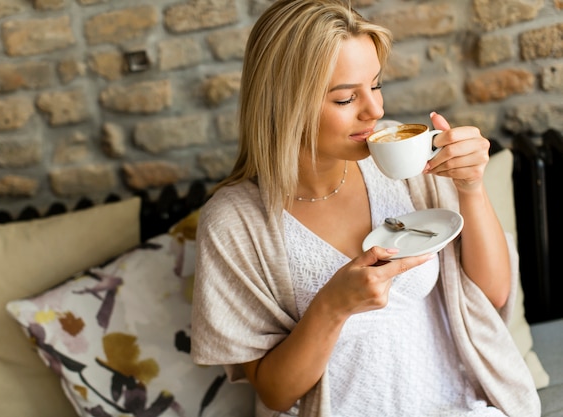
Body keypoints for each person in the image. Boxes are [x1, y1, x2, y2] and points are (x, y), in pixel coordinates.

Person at [190, 0, 541, 416]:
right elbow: (276, 394)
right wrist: (332, 307)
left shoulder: (404, 159)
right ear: (282, 105)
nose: (375, 111)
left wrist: (471, 188)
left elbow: (492, 295)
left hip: (454, 404)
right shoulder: (233, 223)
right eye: (344, 99)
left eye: (374, 85)